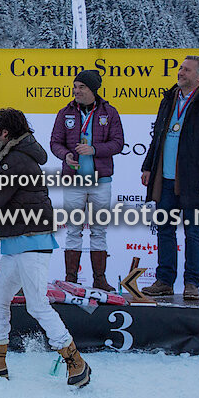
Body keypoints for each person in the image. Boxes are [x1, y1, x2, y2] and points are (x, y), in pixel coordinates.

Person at [0, 108, 91, 389]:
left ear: (5, 132)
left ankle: (75, 361)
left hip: (30, 242)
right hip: (18, 243)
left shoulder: (16, 159)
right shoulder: (16, 156)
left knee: (37, 305)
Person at [140, 56, 199, 300]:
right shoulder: (169, 100)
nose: (180, 72)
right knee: (165, 231)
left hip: (196, 182)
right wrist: (148, 166)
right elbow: (157, 137)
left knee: (193, 232)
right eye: (180, 68)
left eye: (186, 70)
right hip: (165, 180)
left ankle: (192, 283)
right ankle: (164, 281)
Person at [50, 70, 124, 291]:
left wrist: (94, 149)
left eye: (82, 87)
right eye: (75, 86)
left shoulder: (109, 113)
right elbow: (55, 142)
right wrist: (66, 155)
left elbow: (118, 143)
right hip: (74, 182)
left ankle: (99, 279)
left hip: (101, 181)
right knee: (73, 229)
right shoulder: (65, 113)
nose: (76, 91)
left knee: (99, 229)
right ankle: (71, 278)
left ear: (93, 90)